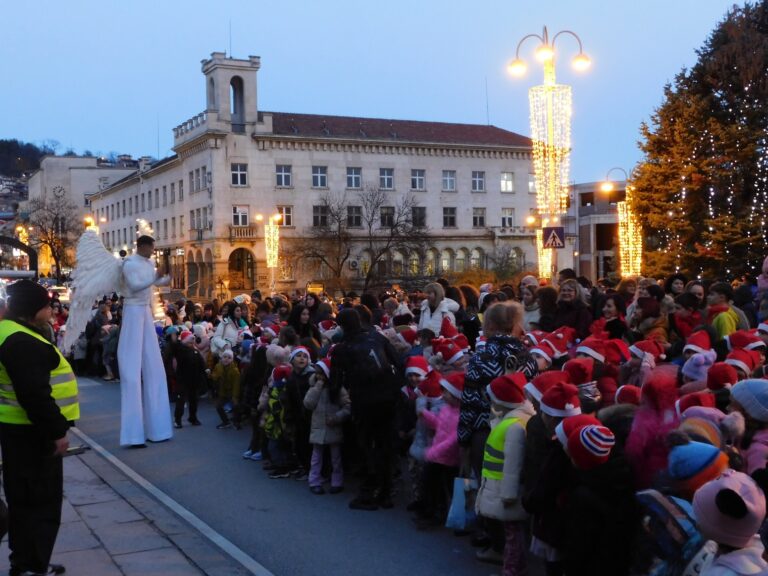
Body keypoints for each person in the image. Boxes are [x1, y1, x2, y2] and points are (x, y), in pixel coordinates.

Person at [0, 280, 78, 576]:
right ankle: (31, 566)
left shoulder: (10, 332)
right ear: (32, 310)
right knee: (40, 503)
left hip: (19, 430)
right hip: (32, 434)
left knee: (23, 501)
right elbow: (34, 393)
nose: (51, 311)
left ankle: (26, 562)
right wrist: (57, 431)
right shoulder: (22, 341)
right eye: (47, 307)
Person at [118, 234, 173, 447]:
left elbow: (157, 282)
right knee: (131, 369)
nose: (152, 251)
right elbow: (134, 286)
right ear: (142, 246)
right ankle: (133, 435)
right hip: (132, 310)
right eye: (151, 248)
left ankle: (159, 429)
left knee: (154, 367)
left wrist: (168, 275)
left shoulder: (149, 263)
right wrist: (156, 276)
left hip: (145, 311)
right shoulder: (129, 263)